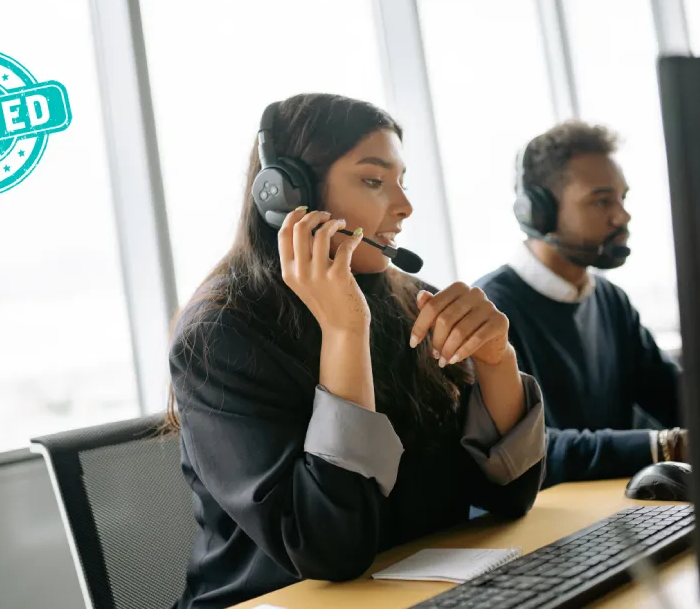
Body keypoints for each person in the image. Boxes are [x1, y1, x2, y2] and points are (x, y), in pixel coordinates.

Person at [167, 94, 546, 609]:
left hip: (418, 589)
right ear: (285, 195)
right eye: (373, 181)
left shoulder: (411, 300)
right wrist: (344, 333)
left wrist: (498, 361)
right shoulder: (220, 335)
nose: (405, 206)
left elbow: (510, 497)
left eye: (401, 182)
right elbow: (330, 549)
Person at [475, 121, 687, 489]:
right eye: (602, 200)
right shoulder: (492, 312)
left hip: (614, 506)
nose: (622, 216)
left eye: (623, 198)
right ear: (537, 213)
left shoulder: (609, 298)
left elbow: (672, 394)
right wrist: (664, 446)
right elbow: (532, 450)